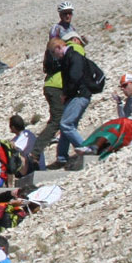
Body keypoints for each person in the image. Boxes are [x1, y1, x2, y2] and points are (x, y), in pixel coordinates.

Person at [43, 38, 95, 169]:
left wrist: (65, 93)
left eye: (54, 53)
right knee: (67, 125)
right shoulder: (68, 58)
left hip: (79, 95)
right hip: (75, 96)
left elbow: (75, 77)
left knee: (66, 124)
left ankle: (85, 149)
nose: (55, 57)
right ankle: (61, 157)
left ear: (59, 48)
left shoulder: (73, 56)